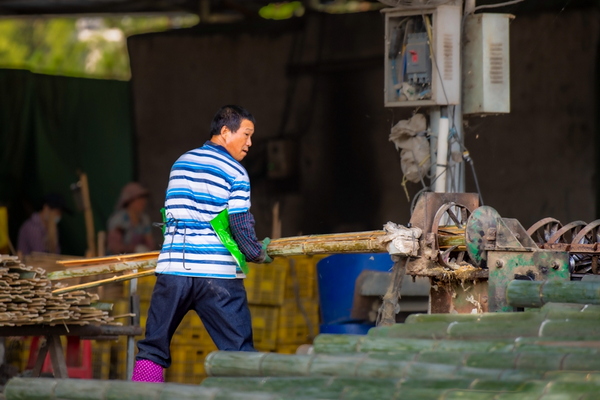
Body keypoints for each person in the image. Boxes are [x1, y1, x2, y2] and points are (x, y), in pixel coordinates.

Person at [131, 105, 272, 383]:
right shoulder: (236, 172)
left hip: (173, 270)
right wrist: (257, 252)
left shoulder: (181, 162)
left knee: (153, 347)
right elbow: (240, 224)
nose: (249, 143)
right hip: (217, 276)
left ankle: (141, 395)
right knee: (239, 352)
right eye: (246, 134)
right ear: (225, 131)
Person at [106, 182, 156, 255]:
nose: (143, 201)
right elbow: (114, 247)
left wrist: (148, 250)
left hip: (139, 259)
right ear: (129, 201)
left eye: (143, 198)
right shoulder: (119, 219)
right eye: (139, 198)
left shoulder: (144, 219)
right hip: (118, 259)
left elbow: (150, 242)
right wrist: (134, 248)